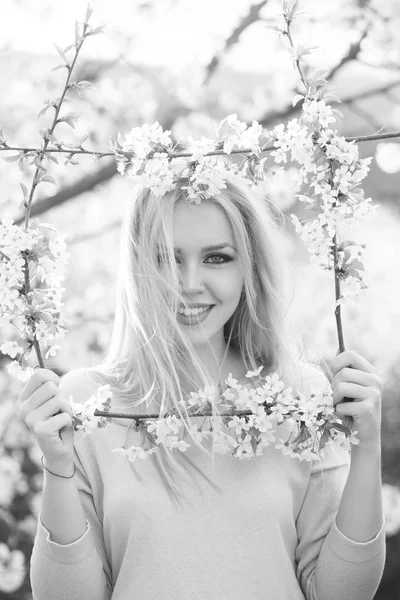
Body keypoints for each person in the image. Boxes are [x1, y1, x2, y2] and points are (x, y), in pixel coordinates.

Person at [19, 173, 386, 600]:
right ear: (137, 267)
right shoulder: (89, 406)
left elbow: (342, 593)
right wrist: (58, 468)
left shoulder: (298, 397)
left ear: (249, 267)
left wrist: (367, 448)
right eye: (165, 258)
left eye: (216, 258)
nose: (189, 284)